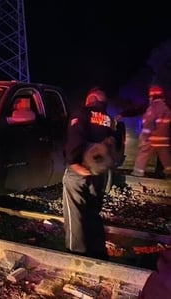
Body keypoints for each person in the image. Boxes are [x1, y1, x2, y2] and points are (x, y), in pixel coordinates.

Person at [62, 87, 117, 260]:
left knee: (74, 210)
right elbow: (113, 142)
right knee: (93, 211)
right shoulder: (108, 119)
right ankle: (98, 251)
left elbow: (75, 137)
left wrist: (73, 163)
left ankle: (75, 252)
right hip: (98, 172)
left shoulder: (82, 112)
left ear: (90, 99)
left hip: (80, 169)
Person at [131, 85, 171, 179]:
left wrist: (144, 136)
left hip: (152, 137)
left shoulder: (153, 107)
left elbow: (148, 122)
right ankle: (169, 173)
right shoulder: (166, 109)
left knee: (143, 154)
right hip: (163, 138)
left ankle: (137, 173)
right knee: (166, 157)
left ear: (152, 96)